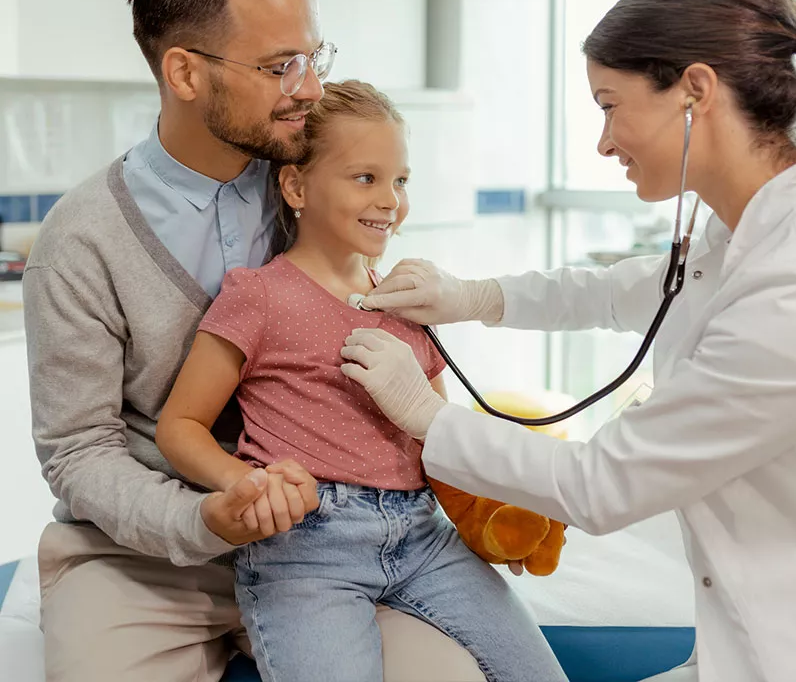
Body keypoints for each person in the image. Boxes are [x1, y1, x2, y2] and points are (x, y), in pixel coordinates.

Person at [24, 0, 486, 682]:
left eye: (313, 57)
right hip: (146, 554)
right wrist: (206, 515)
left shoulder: (308, 186)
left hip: (331, 542)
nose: (308, 87)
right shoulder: (80, 242)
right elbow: (80, 453)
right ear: (183, 72)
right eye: (280, 67)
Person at [340, 0, 796, 682]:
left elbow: (600, 484)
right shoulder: (736, 234)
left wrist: (424, 414)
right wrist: (472, 297)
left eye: (610, 105)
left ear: (696, 91)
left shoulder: (787, 291)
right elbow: (617, 293)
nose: (604, 141)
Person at [155, 80, 567, 682]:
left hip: (424, 537)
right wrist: (244, 484)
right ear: (296, 186)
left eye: (400, 181)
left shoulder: (408, 301)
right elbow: (180, 425)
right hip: (307, 549)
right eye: (365, 178)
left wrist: (492, 506)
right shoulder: (259, 296)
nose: (390, 201)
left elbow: (439, 435)